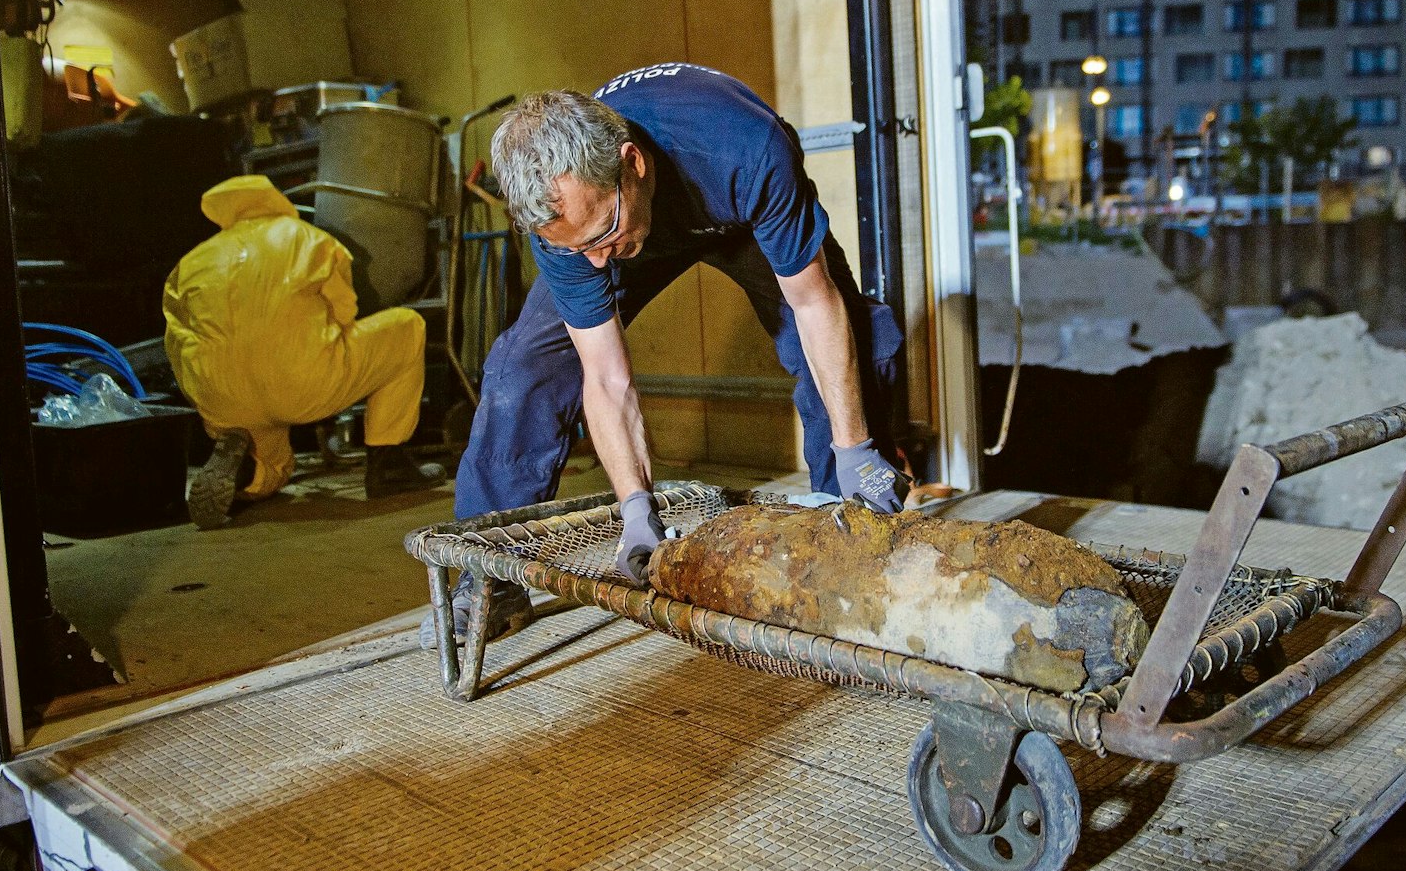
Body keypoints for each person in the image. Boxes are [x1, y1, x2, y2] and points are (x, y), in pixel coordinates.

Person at [436, 63, 904, 644]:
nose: (600, 263)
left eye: (601, 235)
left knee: (851, 330)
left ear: (632, 165)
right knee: (524, 367)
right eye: (579, 247)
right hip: (635, 217)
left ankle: (850, 530)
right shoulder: (571, 222)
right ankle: (490, 575)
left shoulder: (746, 147)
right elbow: (606, 376)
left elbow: (814, 305)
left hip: (735, 208)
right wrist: (636, 508)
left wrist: (854, 446)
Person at [163, 175, 441, 529]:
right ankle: (389, 464)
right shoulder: (308, 239)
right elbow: (345, 311)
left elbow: (176, 340)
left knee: (277, 468)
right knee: (407, 327)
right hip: (303, 382)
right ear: (275, 202)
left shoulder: (192, 262)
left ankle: (246, 469)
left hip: (223, 400)